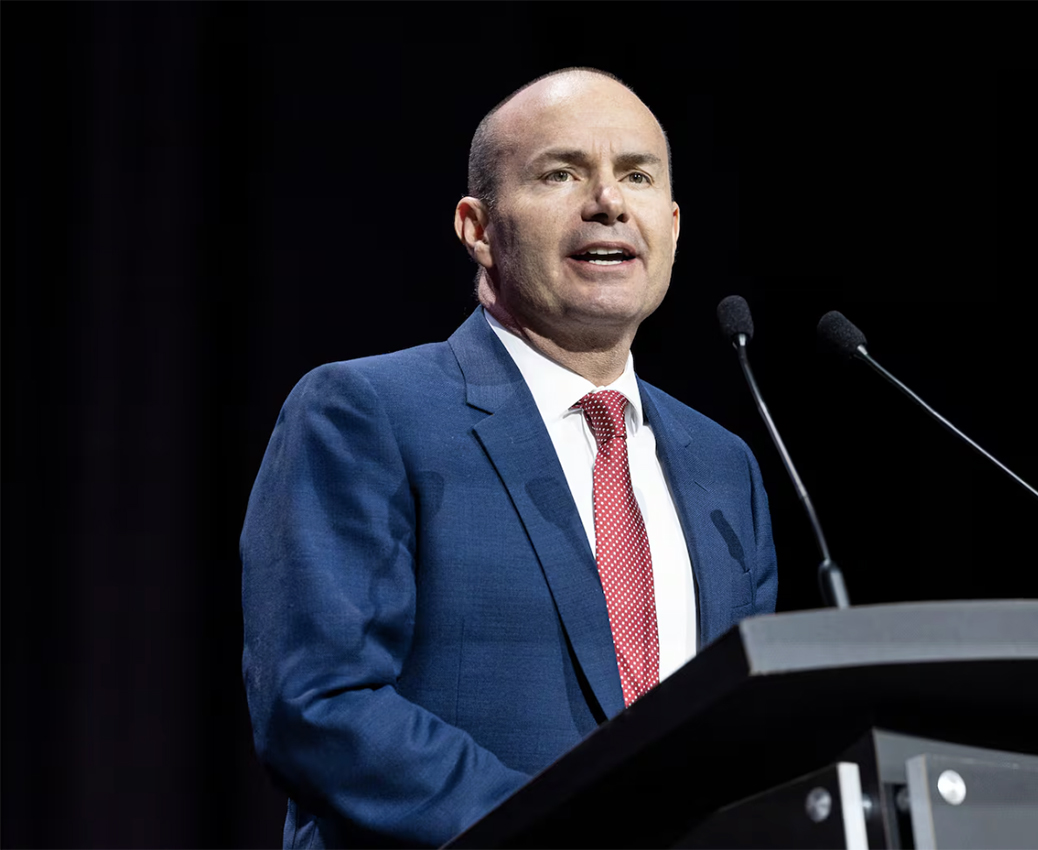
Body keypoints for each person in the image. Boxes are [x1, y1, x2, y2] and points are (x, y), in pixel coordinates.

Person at [240, 68, 778, 849]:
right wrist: (559, 831)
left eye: (636, 175)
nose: (607, 202)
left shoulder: (725, 468)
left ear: (672, 221)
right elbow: (319, 705)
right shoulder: (366, 414)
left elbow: (741, 737)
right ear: (477, 227)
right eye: (561, 173)